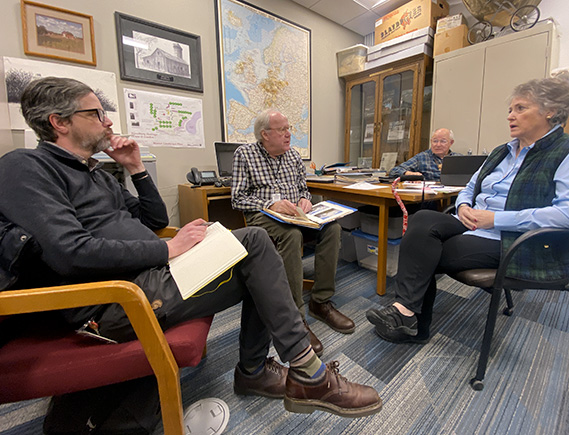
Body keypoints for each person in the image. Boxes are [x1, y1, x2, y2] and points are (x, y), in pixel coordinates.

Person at [0, 77, 382, 419]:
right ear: (59, 122)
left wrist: (136, 169)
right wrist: (168, 251)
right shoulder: (25, 167)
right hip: (116, 303)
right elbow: (71, 252)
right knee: (254, 242)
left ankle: (264, 370)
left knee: (256, 250)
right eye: (97, 112)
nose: (108, 121)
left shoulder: (94, 173)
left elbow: (151, 219)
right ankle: (302, 373)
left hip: (153, 277)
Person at [366, 77, 569, 344]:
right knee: (423, 219)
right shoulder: (502, 151)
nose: (511, 116)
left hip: (518, 240)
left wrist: (496, 219)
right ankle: (406, 313)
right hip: (474, 221)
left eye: (520, 109)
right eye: (510, 110)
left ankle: (414, 322)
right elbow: (470, 186)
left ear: (550, 111)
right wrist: (464, 205)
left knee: (428, 249)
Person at [231, 109, 354, 356]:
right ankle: (296, 317)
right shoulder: (244, 155)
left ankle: (321, 302)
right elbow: (237, 198)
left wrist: (304, 199)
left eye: (289, 128)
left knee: (333, 228)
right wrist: (269, 205)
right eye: (283, 129)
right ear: (265, 135)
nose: (289, 134)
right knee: (291, 236)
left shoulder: (294, 156)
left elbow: (303, 189)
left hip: (296, 214)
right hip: (263, 216)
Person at [389, 128, 460, 181]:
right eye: (435, 141)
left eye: (443, 141)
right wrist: (409, 174)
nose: (438, 145)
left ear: (451, 143)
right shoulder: (422, 157)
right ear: (431, 141)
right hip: (430, 198)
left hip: (454, 198)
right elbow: (394, 171)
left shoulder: (459, 159)